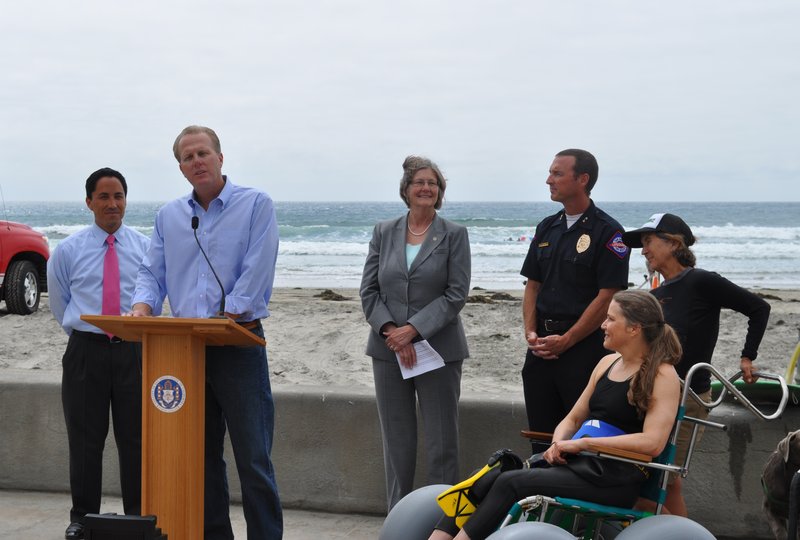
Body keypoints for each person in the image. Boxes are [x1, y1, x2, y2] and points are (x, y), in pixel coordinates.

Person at [429, 290, 682, 540]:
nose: (603, 325)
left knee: (512, 483)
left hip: (614, 478)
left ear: (634, 328)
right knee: (493, 473)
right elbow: (573, 419)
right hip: (579, 463)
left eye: (611, 319)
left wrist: (583, 443)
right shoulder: (608, 363)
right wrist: (557, 446)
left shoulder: (663, 375)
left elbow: (653, 443)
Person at [130, 125, 282, 539]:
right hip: (185, 351)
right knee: (201, 456)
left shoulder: (256, 205)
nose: (196, 161)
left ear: (220, 157)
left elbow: (257, 270)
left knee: (253, 458)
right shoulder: (169, 216)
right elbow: (151, 271)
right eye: (187, 157)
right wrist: (142, 307)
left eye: (202, 153)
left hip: (238, 343)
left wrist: (226, 314)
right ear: (180, 168)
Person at [622, 212, 771, 517]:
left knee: (659, 484)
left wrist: (747, 357)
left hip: (688, 398)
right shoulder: (656, 295)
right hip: (653, 396)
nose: (643, 250)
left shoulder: (701, 281)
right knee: (660, 482)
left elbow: (759, 308)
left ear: (673, 243)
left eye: (648, 241)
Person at [360, 155, 471, 511]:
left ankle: (443, 522)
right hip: (387, 350)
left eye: (433, 183)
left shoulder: (455, 234)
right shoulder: (383, 231)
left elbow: (456, 294)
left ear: (439, 192)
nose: (427, 188)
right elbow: (369, 291)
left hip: (438, 350)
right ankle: (399, 518)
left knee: (442, 443)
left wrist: (413, 331)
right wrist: (393, 331)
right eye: (420, 182)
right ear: (406, 190)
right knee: (397, 442)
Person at [47, 167, 150, 540]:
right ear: (89, 202)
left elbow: (152, 296)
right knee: (86, 440)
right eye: (104, 197)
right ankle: (82, 519)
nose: (112, 204)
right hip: (85, 353)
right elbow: (60, 305)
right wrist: (88, 335)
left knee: (136, 440)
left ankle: (139, 516)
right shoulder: (68, 250)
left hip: (134, 354)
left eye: (118, 196)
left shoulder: (144, 247)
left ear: (126, 200)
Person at [520, 149, 630, 450]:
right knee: (541, 439)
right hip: (541, 349)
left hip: (583, 351)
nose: (548, 180)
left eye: (557, 173)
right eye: (550, 173)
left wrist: (568, 339)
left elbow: (608, 295)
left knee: (581, 439)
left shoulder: (608, 232)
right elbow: (532, 286)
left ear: (583, 179)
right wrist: (531, 333)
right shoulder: (547, 227)